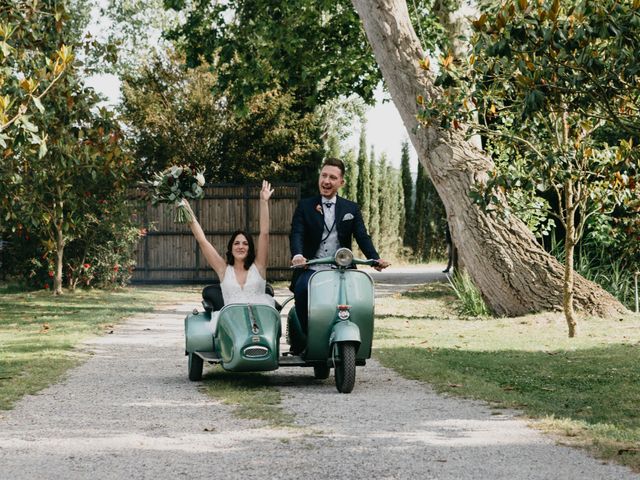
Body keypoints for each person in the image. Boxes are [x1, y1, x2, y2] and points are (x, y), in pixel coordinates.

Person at [290, 157, 390, 336]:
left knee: (358, 298)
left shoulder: (350, 208)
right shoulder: (305, 206)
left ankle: (350, 333)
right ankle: (309, 337)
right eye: (324, 176)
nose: (326, 181)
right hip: (311, 267)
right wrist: (298, 255)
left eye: (333, 178)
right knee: (302, 290)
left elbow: (362, 236)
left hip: (342, 268)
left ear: (341, 182)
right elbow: (297, 233)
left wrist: (375, 258)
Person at [182, 180, 275, 333]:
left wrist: (263, 202)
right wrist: (188, 213)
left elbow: (264, 234)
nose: (240, 246)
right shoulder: (223, 270)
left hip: (260, 323)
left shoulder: (259, 267)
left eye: (245, 244)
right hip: (232, 325)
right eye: (237, 243)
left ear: (250, 248)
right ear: (231, 248)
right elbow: (202, 240)